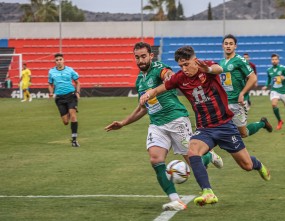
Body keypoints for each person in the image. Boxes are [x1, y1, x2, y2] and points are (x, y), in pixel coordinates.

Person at [140, 46, 270, 207]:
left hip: (225, 126)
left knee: (247, 165)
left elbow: (218, 68)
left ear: (195, 60)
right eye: (181, 66)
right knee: (192, 151)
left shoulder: (205, 68)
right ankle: (207, 192)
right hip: (204, 128)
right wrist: (148, 94)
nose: (184, 69)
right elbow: (160, 88)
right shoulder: (180, 78)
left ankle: (259, 165)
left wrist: (207, 68)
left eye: (187, 64)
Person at [104, 42, 223, 211]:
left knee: (194, 162)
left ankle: (208, 157)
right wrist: (123, 123)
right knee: (155, 159)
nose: (140, 60)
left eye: (144, 56)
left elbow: (168, 74)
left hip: (176, 120)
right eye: (137, 57)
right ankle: (175, 200)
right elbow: (143, 108)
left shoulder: (159, 67)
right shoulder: (140, 80)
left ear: (151, 56)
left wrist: (168, 76)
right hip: (157, 124)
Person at [220, 34, 273, 138]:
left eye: (231, 44)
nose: (228, 46)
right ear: (222, 46)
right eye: (226, 44)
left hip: (237, 102)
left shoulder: (239, 60)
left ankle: (262, 123)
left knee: (243, 133)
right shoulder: (221, 62)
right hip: (225, 102)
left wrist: (242, 93)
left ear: (235, 46)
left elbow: (253, 77)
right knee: (221, 130)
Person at [48, 53, 81, 147]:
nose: (58, 61)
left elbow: (78, 82)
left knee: (73, 117)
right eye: (57, 60)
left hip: (71, 95)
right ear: (55, 61)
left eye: (60, 59)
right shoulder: (51, 72)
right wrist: (51, 92)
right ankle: (71, 110)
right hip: (59, 98)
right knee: (66, 122)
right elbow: (50, 84)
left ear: (63, 60)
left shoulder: (70, 70)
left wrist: (78, 92)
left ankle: (74, 140)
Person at [262, 54, 285, 131]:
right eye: (272, 59)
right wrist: (266, 85)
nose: (274, 61)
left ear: (278, 60)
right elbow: (269, 79)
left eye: (275, 59)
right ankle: (280, 121)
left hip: (284, 91)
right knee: (274, 104)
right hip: (274, 90)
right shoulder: (269, 70)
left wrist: (284, 77)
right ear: (271, 60)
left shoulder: (283, 68)